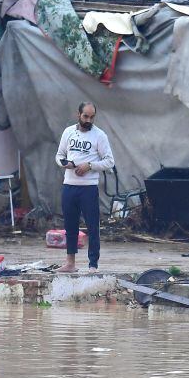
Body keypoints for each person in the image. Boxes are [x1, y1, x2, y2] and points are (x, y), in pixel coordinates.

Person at [55, 102, 115, 273]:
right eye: (85, 116)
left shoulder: (99, 135)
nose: (89, 120)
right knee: (70, 226)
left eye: (92, 117)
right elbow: (59, 155)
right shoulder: (68, 132)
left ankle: (93, 264)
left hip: (88, 187)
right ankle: (70, 262)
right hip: (69, 185)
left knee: (92, 226)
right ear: (78, 115)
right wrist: (65, 163)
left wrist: (89, 165)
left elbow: (109, 161)